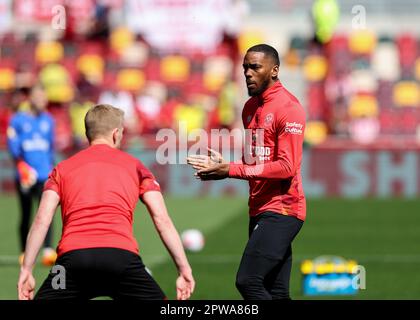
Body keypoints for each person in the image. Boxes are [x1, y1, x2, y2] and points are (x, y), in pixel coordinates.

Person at [17, 104, 194, 300]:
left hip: (72, 262)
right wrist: (183, 269)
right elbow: (162, 220)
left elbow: (42, 219)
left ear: (87, 134)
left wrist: (27, 269)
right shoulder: (136, 167)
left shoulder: (62, 168)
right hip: (121, 259)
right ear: (116, 133)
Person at [187, 44, 306, 300]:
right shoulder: (249, 108)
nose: (247, 73)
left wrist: (229, 170)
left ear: (274, 70)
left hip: (283, 209)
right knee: (277, 291)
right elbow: (256, 157)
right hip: (259, 208)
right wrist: (227, 162)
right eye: (244, 67)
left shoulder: (289, 108)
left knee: (248, 281)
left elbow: (287, 167)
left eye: (255, 67)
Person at [7, 85, 56, 266]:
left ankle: (48, 251)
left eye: (44, 98)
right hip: (26, 176)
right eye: (39, 97)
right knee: (26, 213)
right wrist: (21, 167)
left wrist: (51, 168)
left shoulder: (49, 120)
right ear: (31, 99)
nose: (42, 101)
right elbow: (13, 146)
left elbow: (51, 147)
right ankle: (24, 251)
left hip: (44, 174)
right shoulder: (18, 120)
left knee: (46, 212)